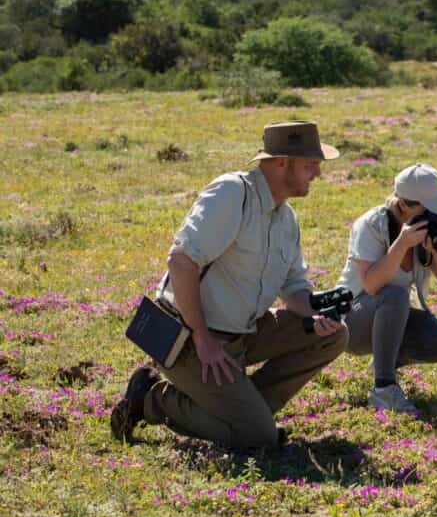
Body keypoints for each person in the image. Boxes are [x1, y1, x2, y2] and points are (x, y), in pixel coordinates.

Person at [110, 121, 349, 448]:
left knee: (334, 335)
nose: (317, 174)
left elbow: (294, 289)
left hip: (242, 334)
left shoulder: (285, 217)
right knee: (258, 437)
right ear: (281, 162)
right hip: (187, 340)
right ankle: (151, 398)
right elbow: (181, 263)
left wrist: (317, 312)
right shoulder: (232, 194)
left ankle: (245, 415)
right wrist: (203, 339)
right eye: (311, 165)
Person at [336, 163, 437, 413]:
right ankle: (384, 388)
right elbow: (371, 285)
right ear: (404, 205)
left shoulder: (429, 229)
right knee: (394, 295)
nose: (436, 216)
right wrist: (402, 244)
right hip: (352, 323)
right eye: (430, 210)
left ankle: (384, 362)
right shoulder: (371, 225)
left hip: (393, 320)